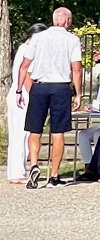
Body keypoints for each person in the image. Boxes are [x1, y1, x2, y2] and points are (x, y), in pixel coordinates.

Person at [17, 7, 84, 187]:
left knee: (34, 130)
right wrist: (78, 93)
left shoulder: (38, 37)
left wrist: (19, 90)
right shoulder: (72, 39)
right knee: (58, 132)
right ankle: (54, 176)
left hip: (39, 86)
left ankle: (34, 164)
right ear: (67, 21)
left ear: (54, 20)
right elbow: (76, 68)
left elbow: (24, 65)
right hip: (60, 87)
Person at [6, 23, 47, 186]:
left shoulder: (24, 49)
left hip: (20, 94)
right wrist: (35, 96)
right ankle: (17, 172)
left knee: (20, 134)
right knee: (21, 134)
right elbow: (27, 75)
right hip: (23, 95)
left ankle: (17, 170)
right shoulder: (28, 49)